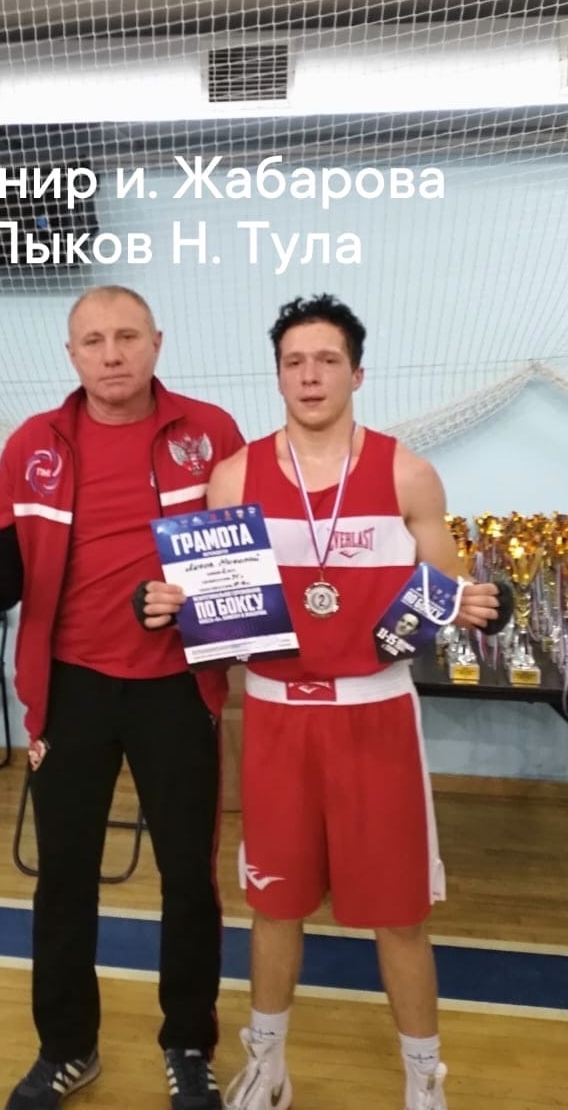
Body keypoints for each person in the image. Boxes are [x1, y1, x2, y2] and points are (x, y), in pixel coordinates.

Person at [0, 285, 244, 1110]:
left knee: (190, 880)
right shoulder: (32, 444)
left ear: (157, 342)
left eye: (127, 337)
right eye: (94, 340)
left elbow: (241, 571)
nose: (112, 354)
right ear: (71, 354)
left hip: (177, 688)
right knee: (64, 877)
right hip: (69, 689)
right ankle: (67, 1048)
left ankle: (189, 1044)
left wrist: (189, 598)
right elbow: (5, 573)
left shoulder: (211, 434)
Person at [200, 294, 502, 1110]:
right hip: (275, 715)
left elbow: (444, 594)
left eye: (327, 360)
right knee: (274, 903)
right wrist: (176, 603)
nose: (310, 376)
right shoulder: (235, 477)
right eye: (294, 362)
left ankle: (424, 1078)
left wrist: (470, 605)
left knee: (399, 914)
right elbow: (219, 606)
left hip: (375, 715)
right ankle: (267, 1066)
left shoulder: (407, 472)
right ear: (277, 376)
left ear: (357, 374)